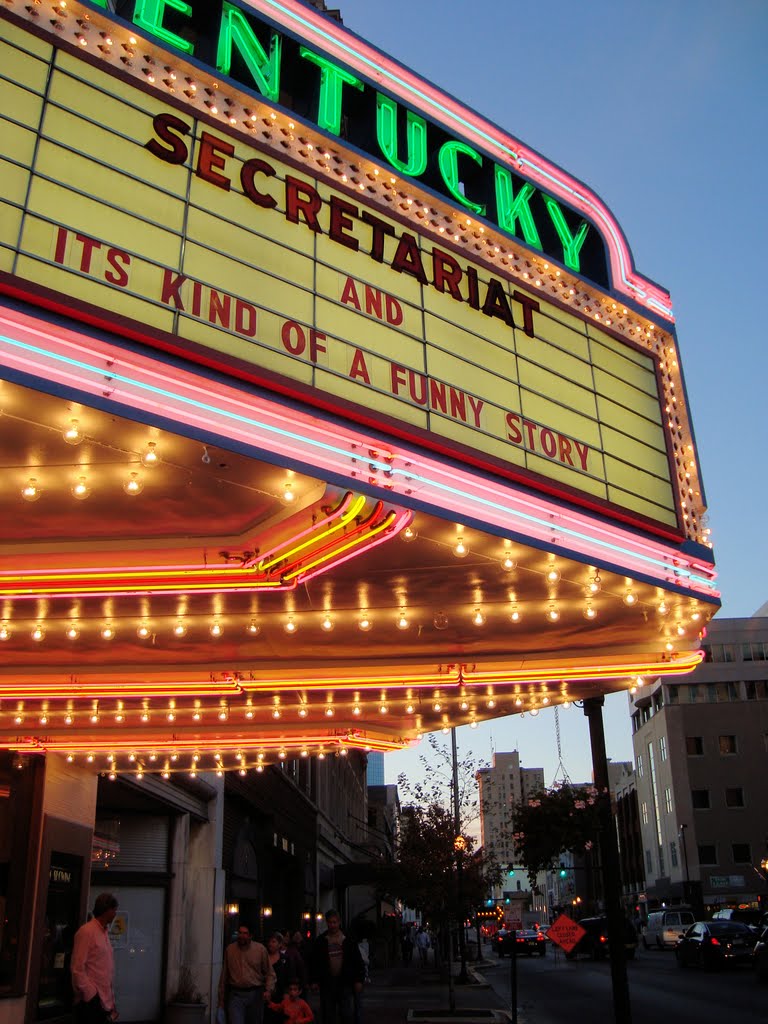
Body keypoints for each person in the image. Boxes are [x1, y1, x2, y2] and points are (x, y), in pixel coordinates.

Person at [309, 910, 365, 1024]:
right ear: (327, 923)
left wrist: (359, 980)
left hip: (345, 981)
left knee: (346, 1013)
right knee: (328, 1014)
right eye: (330, 922)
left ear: (339, 922)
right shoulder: (321, 941)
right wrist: (314, 980)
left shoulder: (348, 940)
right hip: (327, 982)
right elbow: (315, 962)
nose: (332, 925)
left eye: (334, 922)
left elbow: (357, 961)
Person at [71, 892, 119, 1024]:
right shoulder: (87, 932)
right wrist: (90, 994)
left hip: (104, 1000)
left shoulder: (104, 933)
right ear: (106, 910)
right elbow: (77, 967)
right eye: (114, 910)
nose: (115, 914)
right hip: (92, 1002)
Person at [218, 924, 276, 1024]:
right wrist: (221, 1000)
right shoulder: (230, 950)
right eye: (240, 933)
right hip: (236, 994)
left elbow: (270, 973)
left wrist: (268, 990)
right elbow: (224, 976)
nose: (242, 936)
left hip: (255, 993)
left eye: (245, 933)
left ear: (250, 936)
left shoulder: (260, 950)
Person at [264, 933, 290, 1024]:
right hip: (265, 996)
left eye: (274, 942)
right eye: (269, 942)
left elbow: (289, 977)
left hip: (280, 995)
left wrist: (287, 993)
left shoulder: (285, 959)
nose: (270, 944)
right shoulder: (264, 958)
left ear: (279, 944)